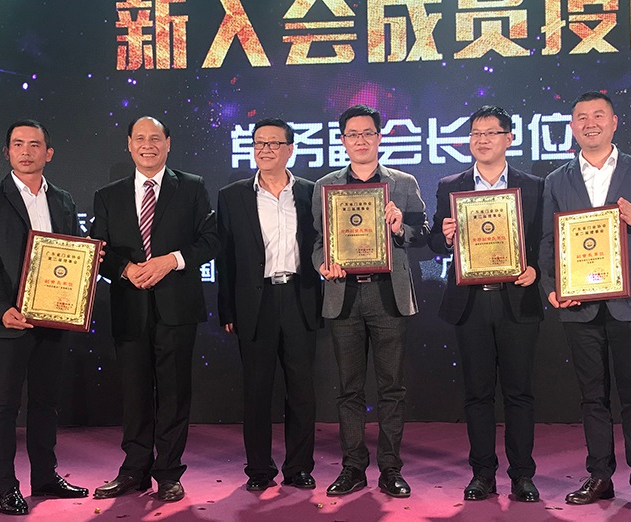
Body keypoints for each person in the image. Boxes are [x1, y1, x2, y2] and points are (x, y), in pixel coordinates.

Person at [539, 91, 631, 512]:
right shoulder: (557, 179)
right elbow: (548, 242)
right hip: (579, 305)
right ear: (572, 127)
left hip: (630, 303)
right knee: (592, 398)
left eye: (598, 115)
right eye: (581, 117)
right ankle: (600, 477)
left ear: (614, 122)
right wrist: (550, 287)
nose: (590, 123)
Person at [90, 116, 219, 502]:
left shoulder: (192, 187)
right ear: (129, 144)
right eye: (140, 138)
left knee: (175, 395)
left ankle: (168, 473)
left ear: (168, 143)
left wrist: (171, 261)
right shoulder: (107, 195)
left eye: (155, 138)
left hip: (178, 307)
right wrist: (125, 269)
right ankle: (134, 470)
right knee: (134, 394)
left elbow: (211, 240)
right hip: (130, 308)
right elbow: (98, 250)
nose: (148, 145)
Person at [312, 104, 429, 498]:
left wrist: (400, 228)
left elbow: (422, 232)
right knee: (349, 389)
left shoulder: (403, 183)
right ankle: (353, 468)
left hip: (387, 295)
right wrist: (322, 263)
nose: (360, 140)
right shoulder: (324, 186)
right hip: (343, 295)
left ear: (379, 138)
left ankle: (391, 469)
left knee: (392, 388)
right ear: (343, 140)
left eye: (367, 133)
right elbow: (317, 242)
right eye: (352, 134)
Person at [428, 106, 544, 503]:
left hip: (517, 300)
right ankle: (482, 474)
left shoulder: (533, 186)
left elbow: (545, 240)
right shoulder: (451, 185)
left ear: (509, 138)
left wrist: (536, 269)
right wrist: (444, 237)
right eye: (476, 133)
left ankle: (522, 475)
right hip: (471, 303)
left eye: (491, 133)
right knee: (477, 394)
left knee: (519, 393)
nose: (482, 140)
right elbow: (433, 241)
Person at [217, 118, 322, 492]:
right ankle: (259, 470)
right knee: (257, 391)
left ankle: (299, 468)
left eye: (274, 143)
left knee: (302, 391)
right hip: (254, 302)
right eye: (259, 143)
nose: (265, 150)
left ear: (290, 149)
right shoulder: (232, 196)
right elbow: (225, 258)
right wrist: (227, 310)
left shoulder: (312, 193)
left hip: (299, 297)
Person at [0, 120, 88, 516]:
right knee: (3, 408)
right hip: (7, 323)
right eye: (18, 144)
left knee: (45, 404)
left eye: (35, 145)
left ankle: (45, 476)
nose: (26, 151)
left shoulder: (63, 201)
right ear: (7, 153)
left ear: (48, 153)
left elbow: (71, 254)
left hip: (52, 320)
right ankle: (4, 485)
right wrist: (1, 309)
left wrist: (88, 260)